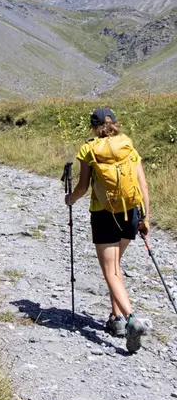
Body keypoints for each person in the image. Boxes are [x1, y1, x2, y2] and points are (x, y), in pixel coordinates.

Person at [65, 107, 150, 353]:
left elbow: (82, 187)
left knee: (111, 271)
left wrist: (70, 199)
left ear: (93, 126)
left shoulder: (88, 149)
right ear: (114, 124)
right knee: (116, 266)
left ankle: (131, 319)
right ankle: (116, 319)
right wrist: (146, 218)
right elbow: (143, 185)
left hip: (104, 214)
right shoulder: (127, 145)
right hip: (131, 213)